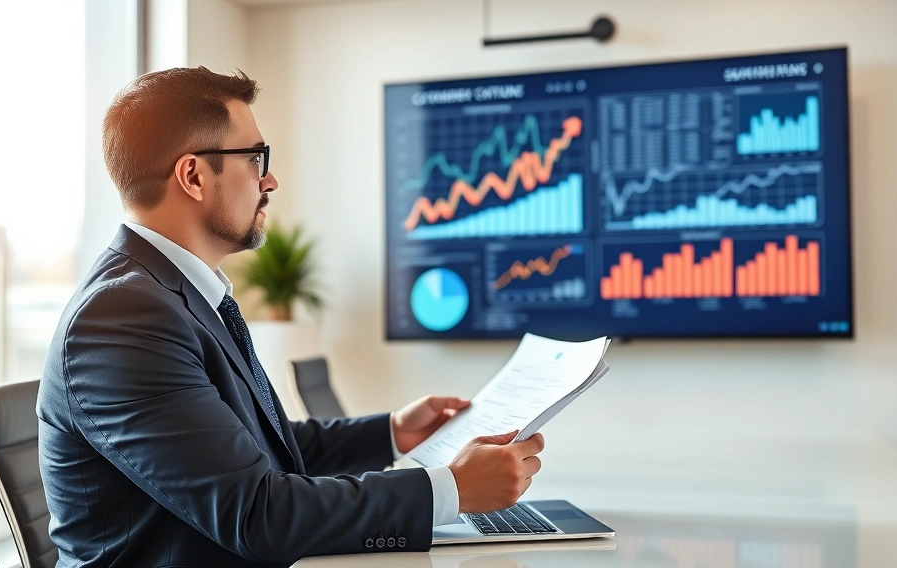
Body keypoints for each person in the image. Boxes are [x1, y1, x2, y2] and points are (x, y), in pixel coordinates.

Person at [36, 67, 545, 568]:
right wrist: (451, 489)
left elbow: (257, 447)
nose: (270, 179)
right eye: (255, 158)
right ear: (193, 176)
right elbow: (257, 515)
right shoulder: (123, 318)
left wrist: (391, 433)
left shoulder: (170, 296)